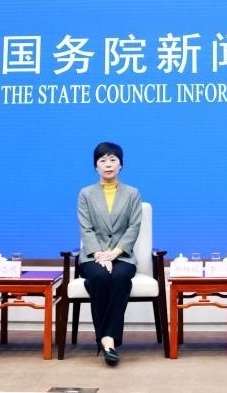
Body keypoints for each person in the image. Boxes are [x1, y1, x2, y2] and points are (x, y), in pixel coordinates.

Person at [77, 141, 143, 367]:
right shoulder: (85, 194)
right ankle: (109, 340)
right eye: (103, 160)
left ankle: (107, 338)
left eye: (113, 160)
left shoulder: (132, 193)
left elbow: (134, 227)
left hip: (122, 255)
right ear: (95, 166)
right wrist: (98, 255)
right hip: (92, 256)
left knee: (120, 276)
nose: (108, 164)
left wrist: (114, 253)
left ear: (120, 165)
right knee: (99, 276)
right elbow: (86, 228)